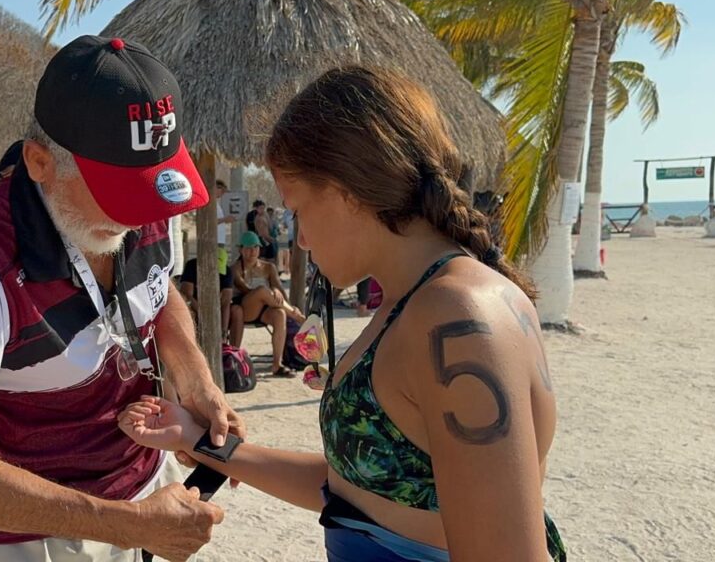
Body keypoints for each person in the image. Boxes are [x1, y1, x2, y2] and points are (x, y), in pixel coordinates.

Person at [119, 66, 565, 562]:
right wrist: (200, 440)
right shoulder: (415, 303)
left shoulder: (456, 317)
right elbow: (356, 489)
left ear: (346, 192)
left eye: (298, 208)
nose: (301, 236)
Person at [0, 35, 241, 562]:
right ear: (38, 162)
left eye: (152, 186)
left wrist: (193, 373)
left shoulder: (147, 210)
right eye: (118, 192)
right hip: (37, 532)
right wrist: (124, 526)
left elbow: (157, 286)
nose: (138, 216)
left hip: (148, 484)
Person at [231, 231, 306, 377]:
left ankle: (277, 364)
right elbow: (245, 289)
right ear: (241, 249)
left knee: (280, 314)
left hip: (266, 309)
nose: (252, 251)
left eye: (255, 247)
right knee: (261, 291)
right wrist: (270, 291)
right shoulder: (236, 268)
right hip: (246, 307)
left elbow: (280, 288)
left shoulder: (268, 267)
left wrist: (277, 294)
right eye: (248, 248)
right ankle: (299, 317)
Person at [178, 257, 244, 346]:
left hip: (215, 308)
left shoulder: (226, 271)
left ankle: (232, 351)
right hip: (194, 307)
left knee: (237, 311)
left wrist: (223, 333)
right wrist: (203, 314)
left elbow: (226, 303)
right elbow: (187, 295)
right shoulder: (192, 266)